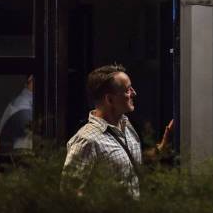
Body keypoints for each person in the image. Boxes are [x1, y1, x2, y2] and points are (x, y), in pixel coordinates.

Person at [61, 64, 173, 199]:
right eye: (127, 90)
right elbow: (70, 193)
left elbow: (130, 161)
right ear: (109, 99)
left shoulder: (126, 125)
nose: (134, 93)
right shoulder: (87, 140)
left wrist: (161, 148)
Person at [0, 75, 33, 154]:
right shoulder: (22, 106)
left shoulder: (25, 102)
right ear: (28, 82)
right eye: (33, 80)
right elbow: (24, 154)